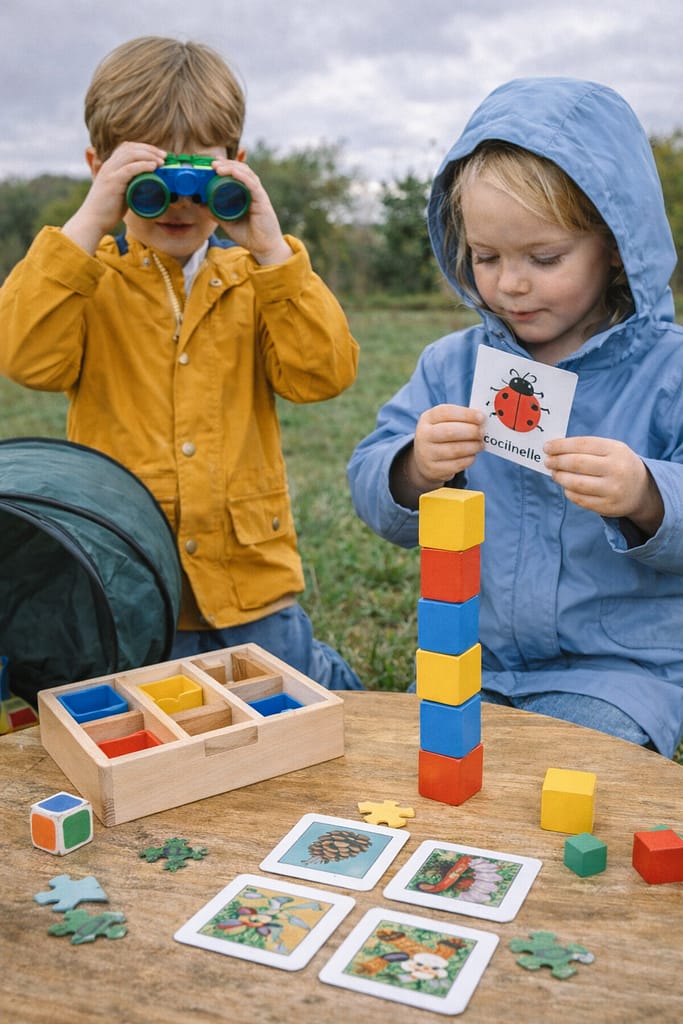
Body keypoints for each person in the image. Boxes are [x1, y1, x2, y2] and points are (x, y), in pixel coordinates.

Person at [0, 36, 362, 691]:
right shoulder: (88, 280)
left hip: (248, 581)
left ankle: (324, 672)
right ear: (99, 167)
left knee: (287, 697)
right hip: (133, 577)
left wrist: (274, 253)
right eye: (150, 178)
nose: (178, 200)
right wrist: (87, 222)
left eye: (198, 176)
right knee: (156, 729)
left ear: (236, 165)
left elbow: (322, 374)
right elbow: (26, 357)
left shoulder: (256, 278)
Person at [348, 77, 683, 756]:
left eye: (543, 257)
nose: (510, 283)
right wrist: (412, 466)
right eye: (485, 257)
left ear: (614, 244)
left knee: (568, 766)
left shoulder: (668, 372)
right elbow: (369, 485)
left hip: (623, 673)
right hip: (474, 658)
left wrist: (647, 493)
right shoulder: (452, 366)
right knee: (417, 763)